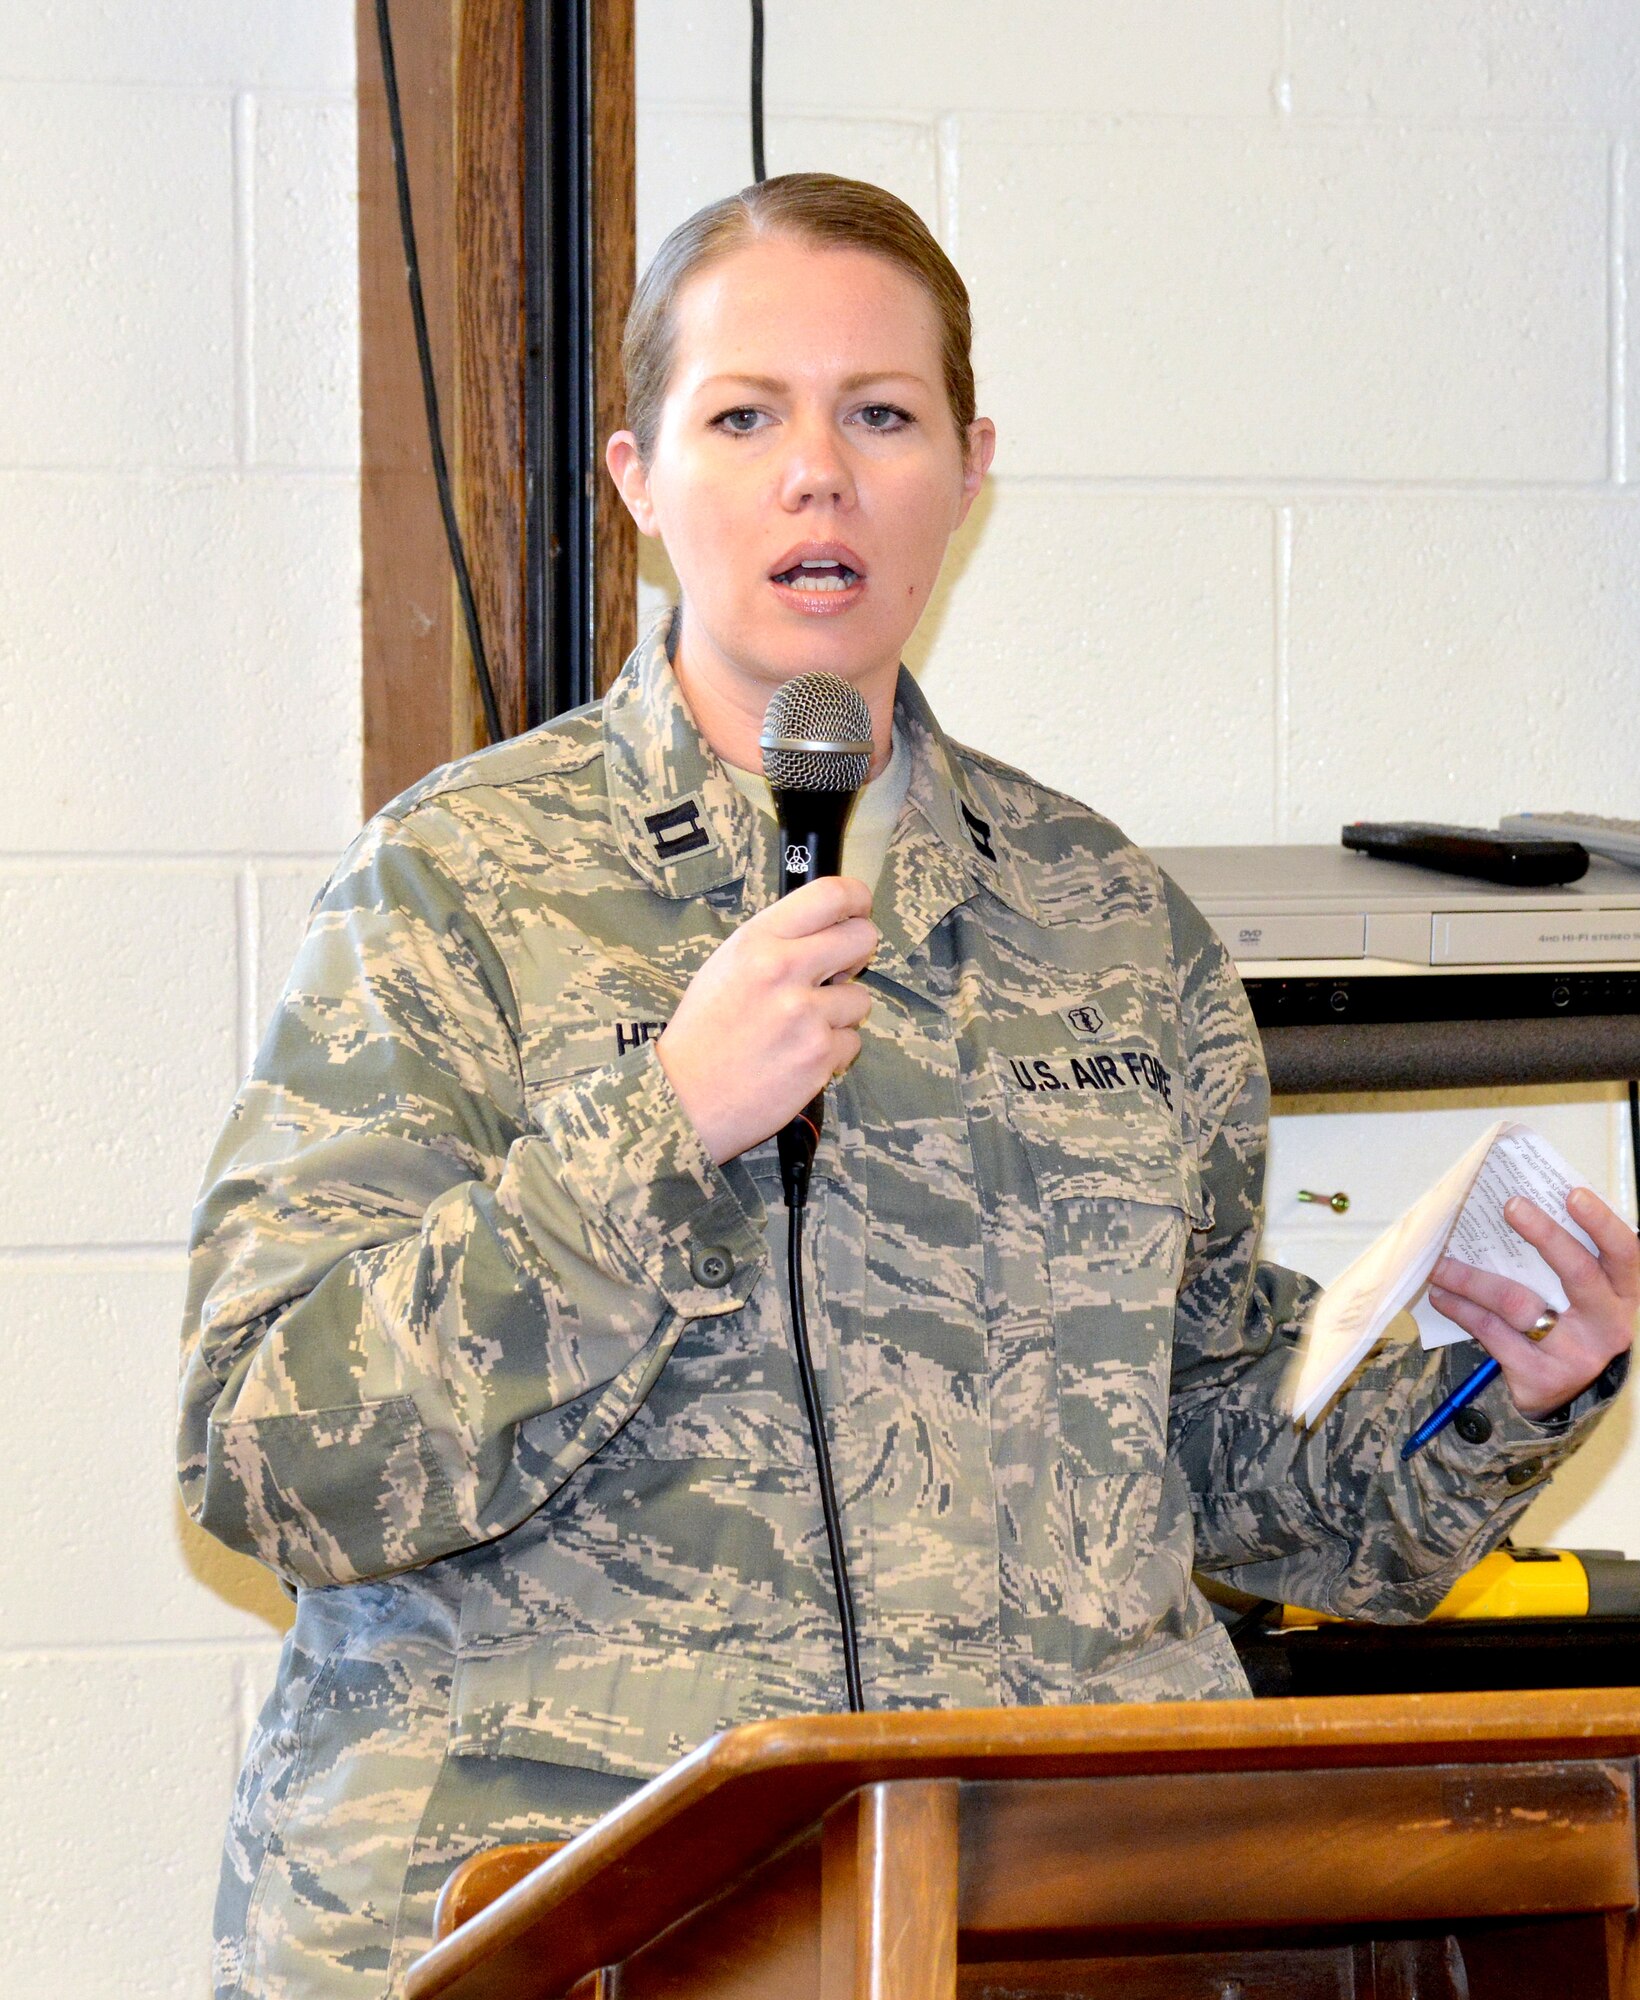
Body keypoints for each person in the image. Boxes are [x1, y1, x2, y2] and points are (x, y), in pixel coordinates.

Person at [178, 174, 1637, 1998]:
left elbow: (1233, 1476)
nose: (820, 475)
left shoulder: (1110, 923)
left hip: (1049, 1929)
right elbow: (262, 1454)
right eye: (744, 417)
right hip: (570, 1918)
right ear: (638, 482)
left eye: (881, 415)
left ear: (969, 465)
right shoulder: (455, 890)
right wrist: (656, 1133)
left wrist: (1496, 1394)